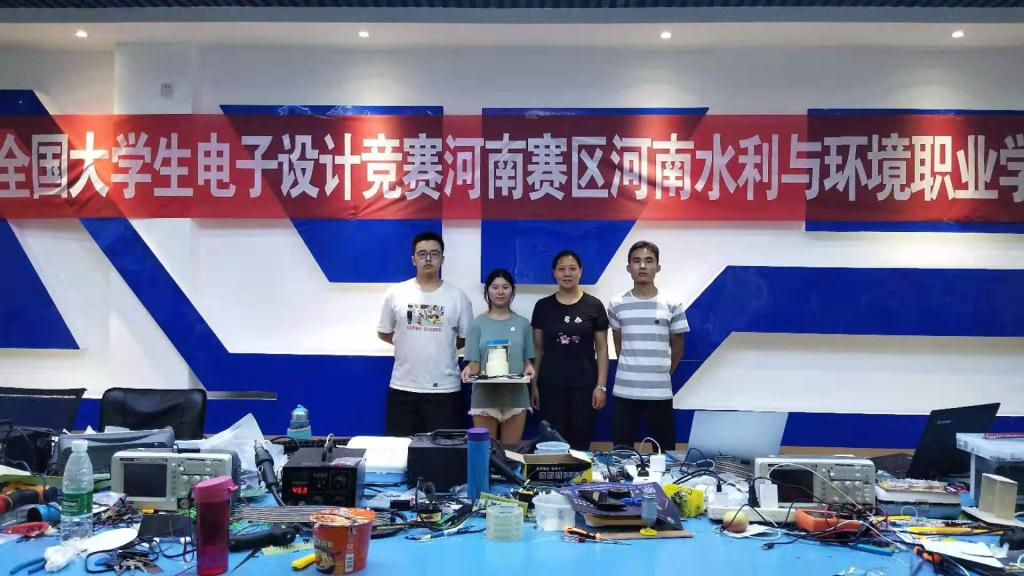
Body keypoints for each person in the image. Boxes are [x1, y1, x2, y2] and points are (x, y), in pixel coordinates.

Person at [377, 231, 473, 436]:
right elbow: (384, 332)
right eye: (422, 254)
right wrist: (409, 342)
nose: (428, 258)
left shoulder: (458, 297)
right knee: (399, 449)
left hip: (445, 390)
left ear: (442, 259)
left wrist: (438, 343)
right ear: (413, 260)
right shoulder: (395, 294)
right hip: (403, 388)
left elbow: (465, 338)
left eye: (434, 254)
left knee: (444, 451)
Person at [607, 240, 688, 452]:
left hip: (659, 392)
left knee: (664, 454)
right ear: (628, 268)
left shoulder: (672, 303)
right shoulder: (616, 303)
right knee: (622, 453)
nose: (642, 266)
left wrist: (660, 373)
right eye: (636, 261)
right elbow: (618, 343)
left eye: (648, 261)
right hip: (625, 390)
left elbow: (678, 349)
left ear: (657, 267)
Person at [531, 250, 609, 450]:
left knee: (580, 443)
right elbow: (537, 349)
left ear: (580, 272)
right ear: (554, 273)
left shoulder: (594, 306)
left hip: (584, 387)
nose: (567, 273)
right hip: (550, 386)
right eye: (562, 269)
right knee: (552, 443)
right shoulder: (542, 307)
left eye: (572, 269)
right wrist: (534, 385)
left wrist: (601, 387)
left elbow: (602, 349)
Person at [460, 269, 536, 445]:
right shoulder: (477, 324)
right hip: (485, 398)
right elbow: (474, 363)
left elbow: (527, 362)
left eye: (505, 287)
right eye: (495, 287)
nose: (500, 292)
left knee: (510, 454)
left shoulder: (523, 324)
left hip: (516, 397)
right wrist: (469, 369)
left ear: (513, 290)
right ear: (487, 291)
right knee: (486, 453)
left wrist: (529, 369)